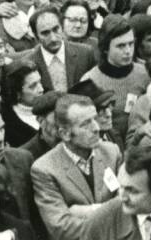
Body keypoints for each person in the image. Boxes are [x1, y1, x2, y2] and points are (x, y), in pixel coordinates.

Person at [30, 93, 123, 240]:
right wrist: (112, 219)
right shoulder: (44, 169)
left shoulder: (111, 152)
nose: (96, 128)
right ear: (65, 134)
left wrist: (86, 211)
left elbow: (128, 203)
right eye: (85, 124)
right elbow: (62, 228)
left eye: (94, 118)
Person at [16, 5, 96, 93]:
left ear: (62, 27)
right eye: (45, 33)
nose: (53, 38)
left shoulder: (85, 53)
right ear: (36, 36)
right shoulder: (27, 64)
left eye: (56, 29)